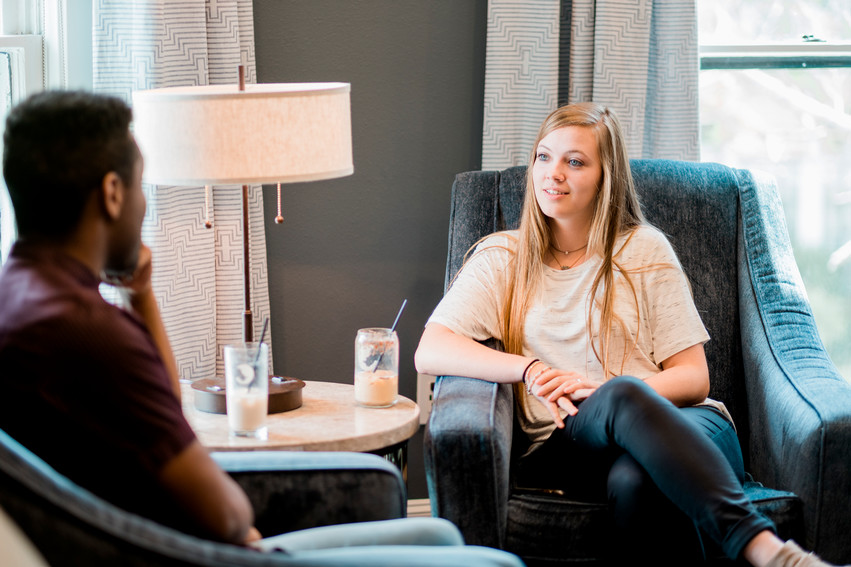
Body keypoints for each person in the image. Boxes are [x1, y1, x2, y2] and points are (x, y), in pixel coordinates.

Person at [0, 90, 523, 567]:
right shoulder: (91, 334)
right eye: (140, 186)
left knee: (439, 539)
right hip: (204, 555)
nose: (143, 205)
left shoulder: (24, 301)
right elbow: (228, 516)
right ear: (112, 193)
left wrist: (140, 295)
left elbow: (163, 407)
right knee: (494, 565)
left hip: (148, 537)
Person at [415, 102, 843, 567]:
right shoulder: (503, 258)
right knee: (619, 413)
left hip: (688, 422)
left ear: (606, 176)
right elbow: (431, 349)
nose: (552, 173)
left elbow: (693, 378)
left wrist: (611, 392)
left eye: (574, 162)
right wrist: (529, 369)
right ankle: (771, 553)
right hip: (571, 438)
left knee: (633, 480)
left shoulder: (643, 248)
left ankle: (768, 552)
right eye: (544, 157)